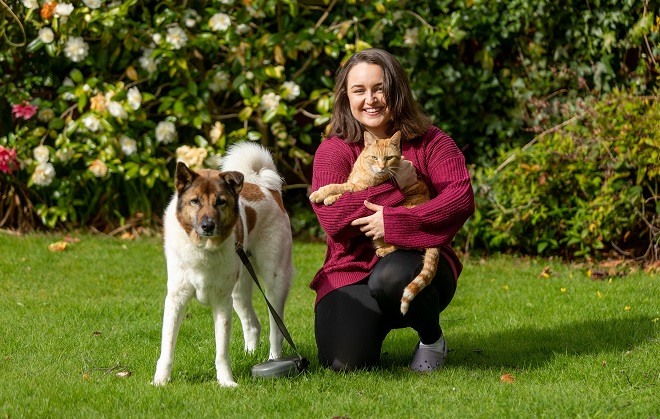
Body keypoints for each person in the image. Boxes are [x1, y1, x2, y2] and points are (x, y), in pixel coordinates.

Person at [309, 48, 475, 372]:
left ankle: (432, 340)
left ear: (397, 89)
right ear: (346, 96)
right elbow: (333, 219)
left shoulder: (431, 141)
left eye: (379, 88)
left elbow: (460, 198)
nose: (370, 99)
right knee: (344, 363)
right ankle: (368, 324)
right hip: (351, 272)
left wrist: (395, 223)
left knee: (393, 274)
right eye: (359, 90)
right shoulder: (334, 149)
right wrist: (396, 187)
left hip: (413, 261)